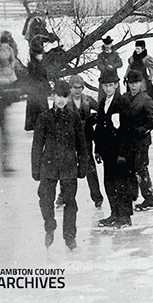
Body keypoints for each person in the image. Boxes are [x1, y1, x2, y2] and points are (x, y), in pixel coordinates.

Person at [31, 80, 87, 249]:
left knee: (70, 202)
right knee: (45, 198)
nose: (61, 100)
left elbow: (81, 143)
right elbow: (37, 144)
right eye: (58, 96)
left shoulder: (74, 117)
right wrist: (35, 168)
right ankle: (50, 226)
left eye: (64, 96)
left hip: (69, 166)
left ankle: (70, 236)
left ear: (67, 97)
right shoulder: (44, 117)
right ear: (53, 96)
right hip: (48, 165)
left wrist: (82, 165)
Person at [94, 71, 135, 229]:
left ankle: (125, 216)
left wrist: (123, 153)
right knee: (109, 183)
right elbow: (99, 127)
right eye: (105, 85)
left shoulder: (122, 101)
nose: (108, 88)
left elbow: (127, 129)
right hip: (107, 151)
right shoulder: (103, 101)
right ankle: (114, 213)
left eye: (111, 85)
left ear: (116, 85)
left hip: (119, 152)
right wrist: (97, 149)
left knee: (121, 183)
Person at [65, 75, 104, 209]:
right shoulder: (65, 100)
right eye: (75, 88)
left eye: (80, 88)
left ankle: (97, 197)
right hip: (70, 139)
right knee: (67, 167)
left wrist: (92, 120)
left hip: (86, 138)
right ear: (70, 88)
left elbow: (102, 111)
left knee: (89, 167)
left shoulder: (87, 99)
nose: (78, 90)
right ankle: (63, 196)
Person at [124, 69, 153, 211]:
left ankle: (150, 199)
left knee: (141, 169)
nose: (133, 86)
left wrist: (141, 130)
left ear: (141, 83)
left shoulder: (146, 99)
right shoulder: (124, 97)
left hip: (141, 141)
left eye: (136, 83)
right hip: (128, 141)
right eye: (131, 83)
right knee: (130, 168)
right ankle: (132, 195)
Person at [0, 35, 19, 174]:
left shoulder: (10, 50)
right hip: (0, 113)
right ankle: (4, 166)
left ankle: (5, 165)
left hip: (1, 112)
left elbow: (13, 59)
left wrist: (11, 66)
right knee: (5, 139)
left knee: (5, 138)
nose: (4, 47)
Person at [24, 51, 50, 131]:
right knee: (39, 107)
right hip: (36, 89)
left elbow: (44, 77)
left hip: (38, 89)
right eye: (39, 55)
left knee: (39, 107)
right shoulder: (33, 66)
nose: (41, 56)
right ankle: (36, 125)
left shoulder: (39, 65)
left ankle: (38, 124)